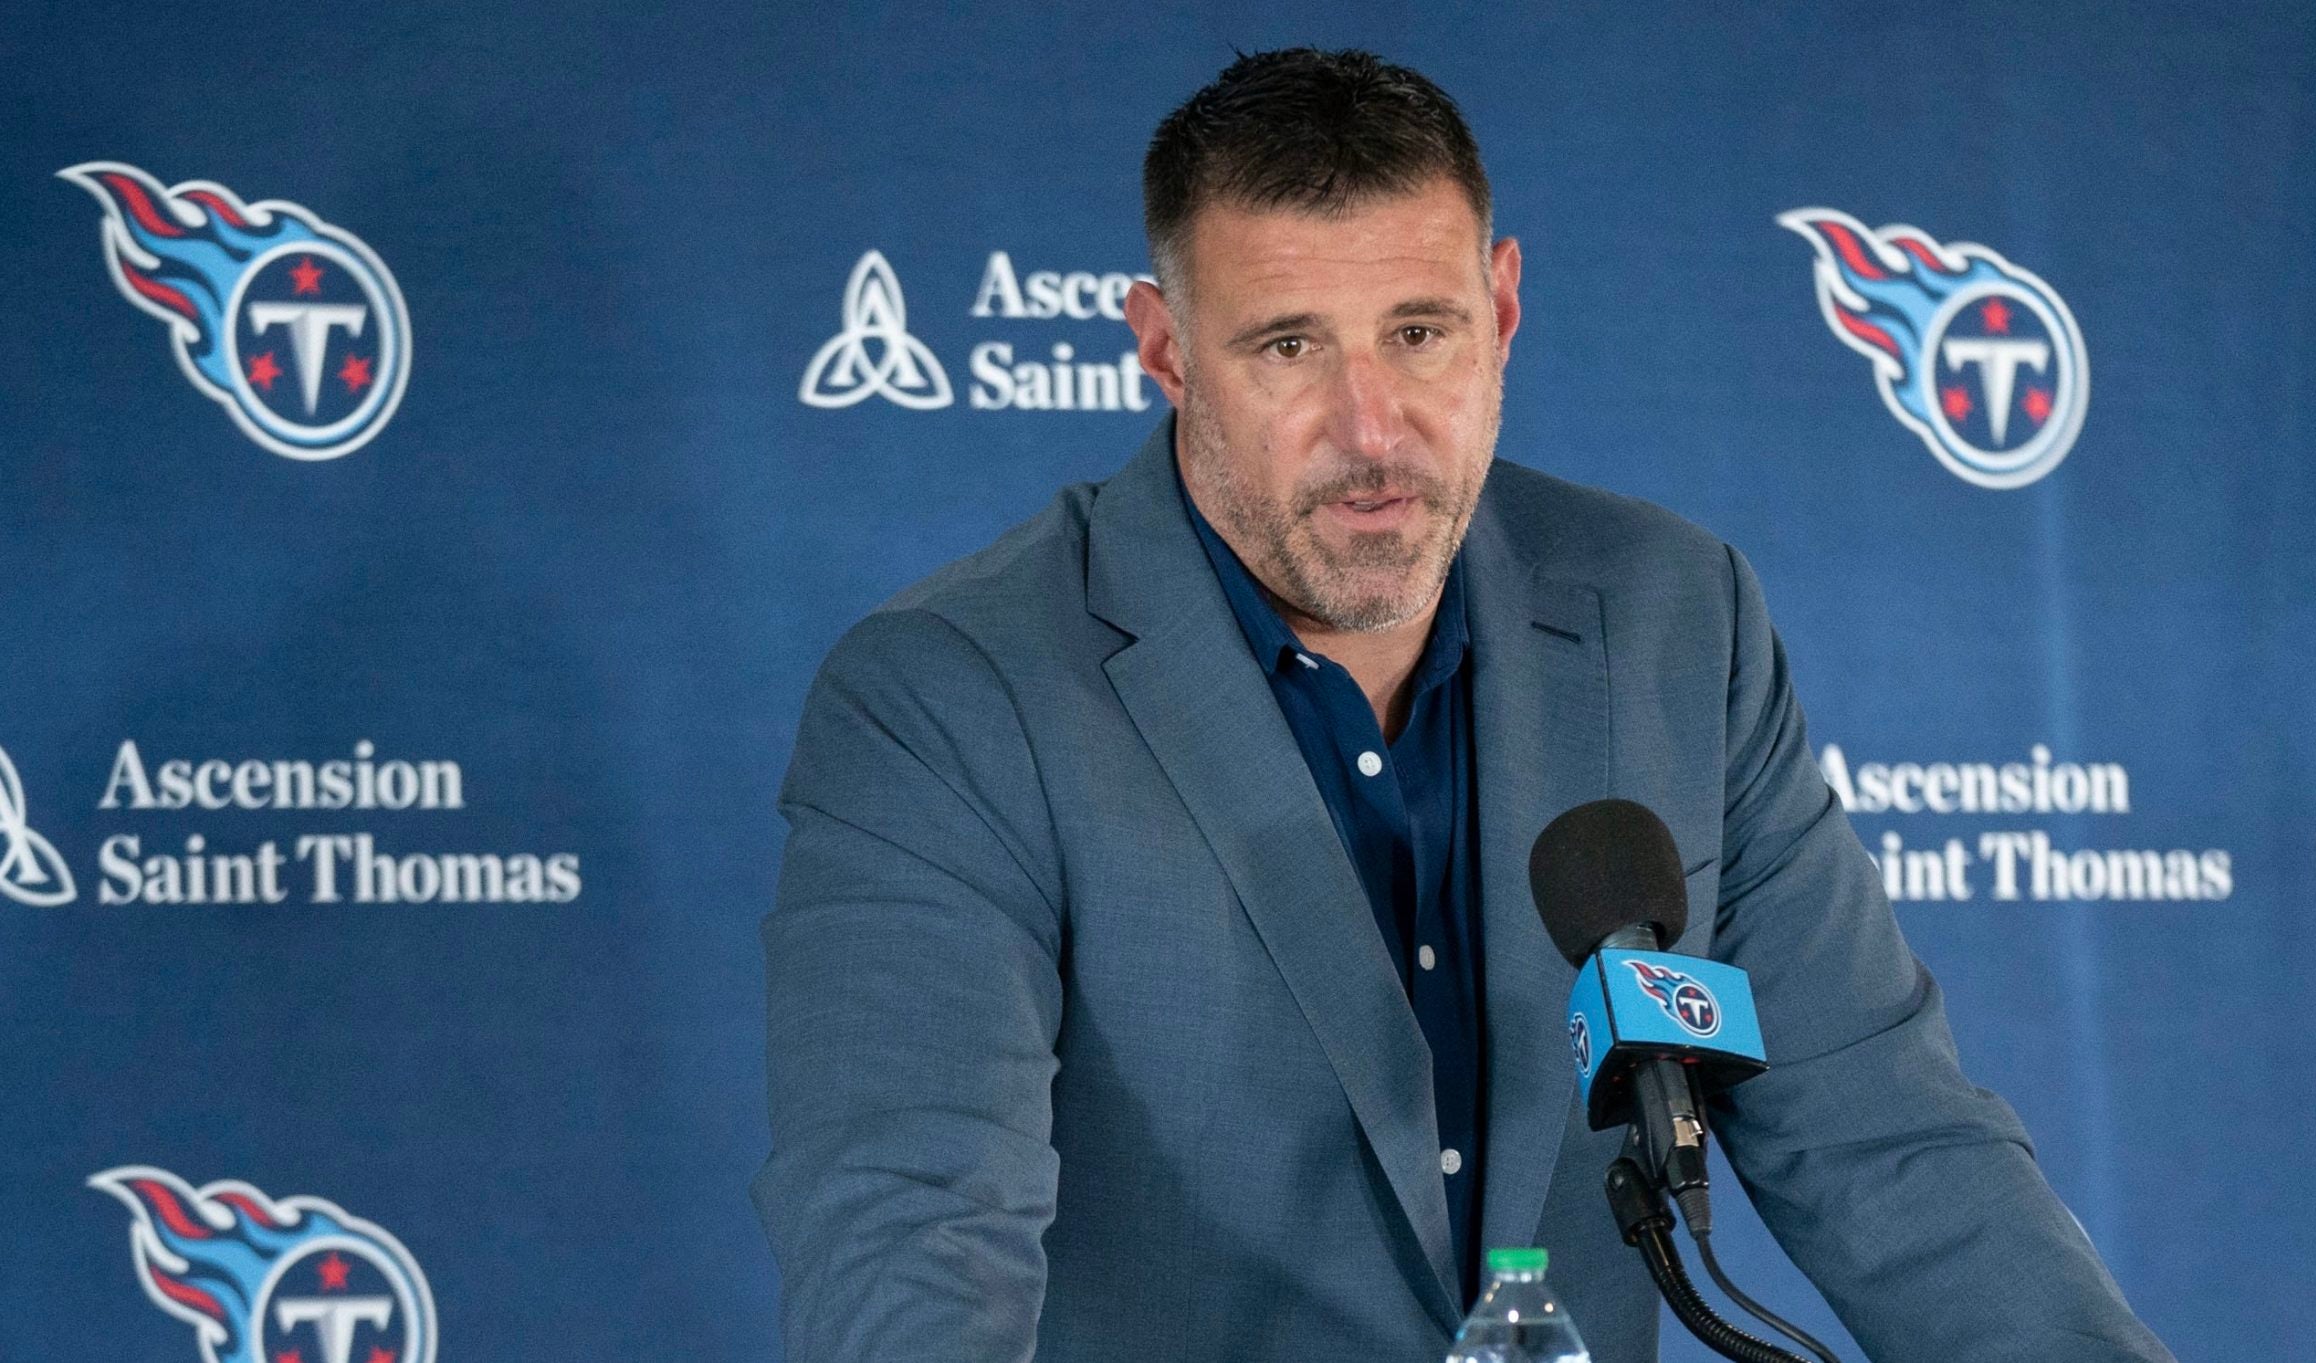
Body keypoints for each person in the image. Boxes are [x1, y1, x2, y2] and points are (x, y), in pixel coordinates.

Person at [757, 47, 2174, 1363]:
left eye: (1420, 332)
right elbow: (911, 1224)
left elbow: (1888, 1147)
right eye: (1289, 348)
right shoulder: (951, 691)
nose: (1373, 431)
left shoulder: (1677, 619)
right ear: (1166, 349)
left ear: (1502, 308)